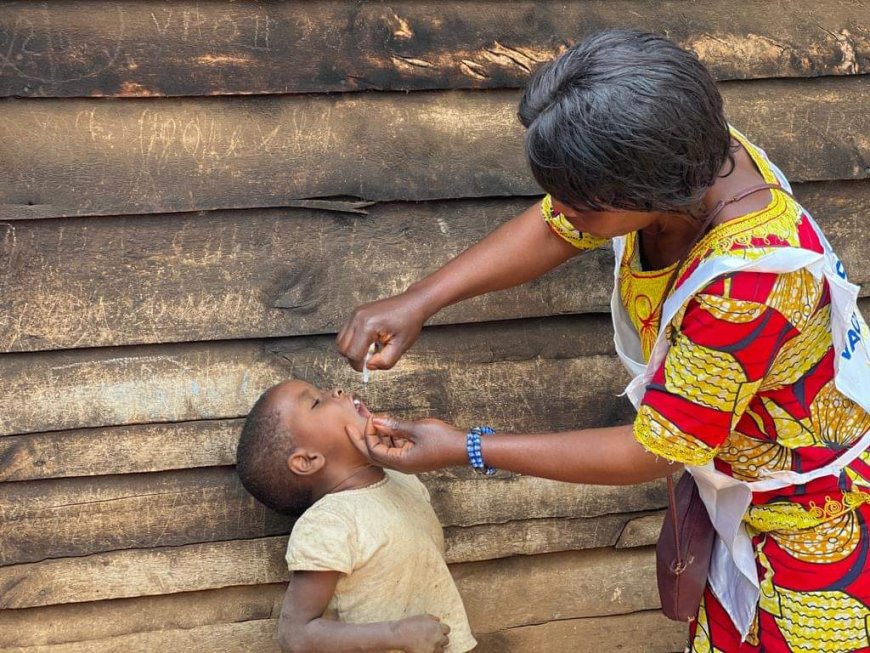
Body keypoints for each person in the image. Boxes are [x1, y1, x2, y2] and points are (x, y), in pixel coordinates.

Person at [337, 30, 870, 653]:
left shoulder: (746, 286)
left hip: (811, 527)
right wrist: (419, 300)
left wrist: (470, 447)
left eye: (582, 205)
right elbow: (558, 223)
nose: (561, 213)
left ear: (647, 192)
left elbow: (656, 450)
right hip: (741, 493)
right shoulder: (694, 154)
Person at [236, 379, 477, 653]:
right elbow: (296, 635)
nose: (336, 391)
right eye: (316, 402)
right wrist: (397, 635)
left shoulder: (404, 481)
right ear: (307, 460)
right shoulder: (329, 523)